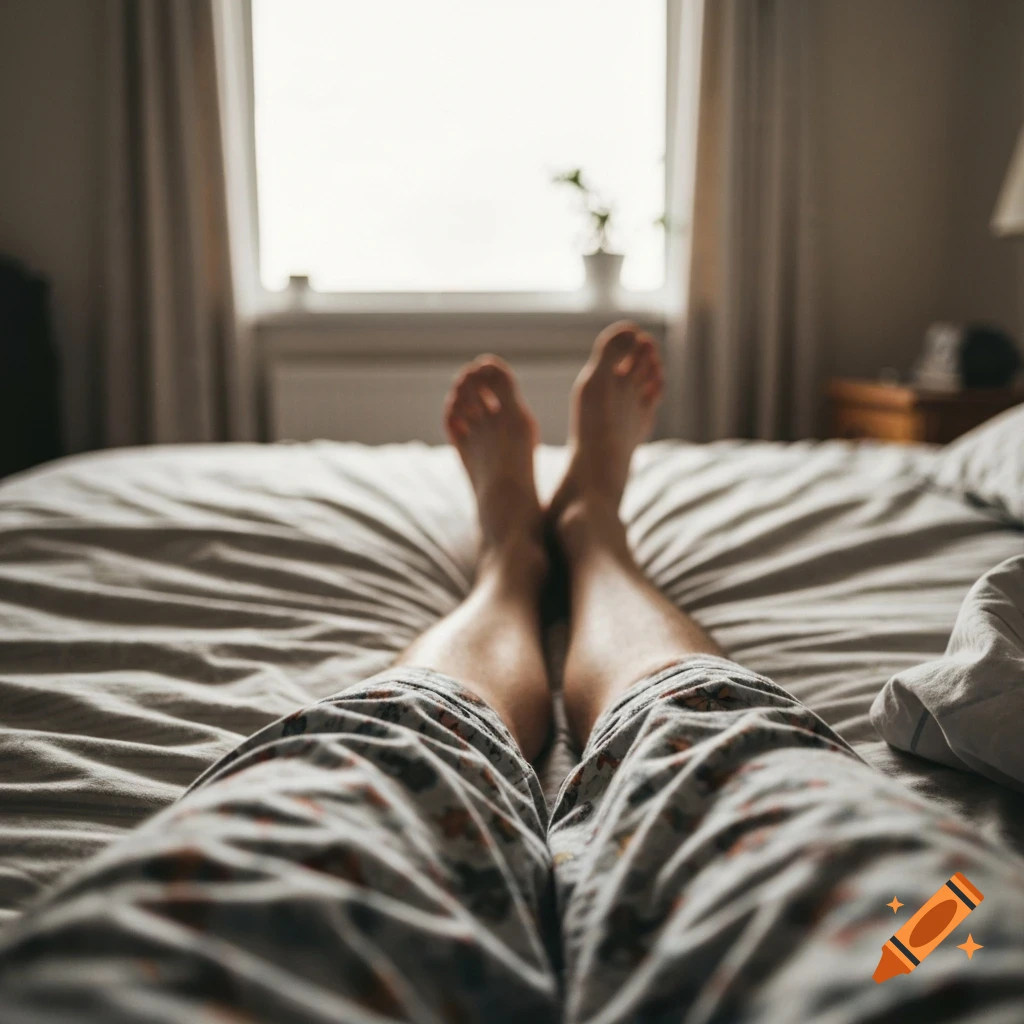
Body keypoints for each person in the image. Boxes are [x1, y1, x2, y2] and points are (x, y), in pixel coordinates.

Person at [1, 323, 1022, 1023]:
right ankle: (578, 546)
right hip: (916, 959)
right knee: (738, 762)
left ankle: (529, 557)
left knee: (380, 759)